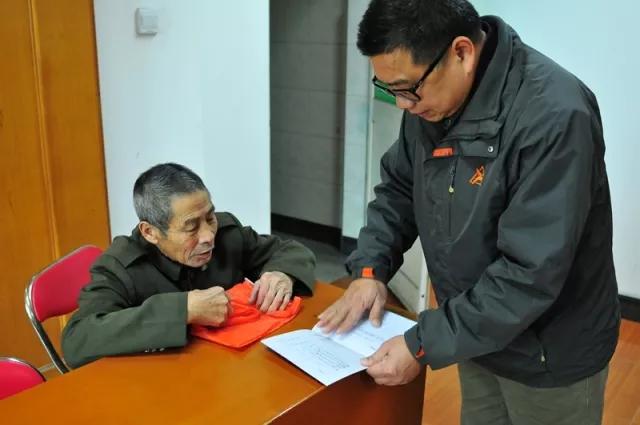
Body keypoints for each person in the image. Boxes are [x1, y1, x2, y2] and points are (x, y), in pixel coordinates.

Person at [317, 1, 619, 423]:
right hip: (477, 334)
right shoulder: (432, 101)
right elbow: (400, 188)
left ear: (461, 52)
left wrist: (423, 343)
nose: (402, 105)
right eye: (389, 89)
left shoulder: (555, 115)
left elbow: (530, 272)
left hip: (548, 352)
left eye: (407, 89)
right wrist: (371, 270)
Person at [62, 163, 315, 368]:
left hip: (229, 370)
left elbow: (290, 250)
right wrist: (183, 310)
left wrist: (283, 274)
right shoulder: (120, 267)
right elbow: (77, 340)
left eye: (210, 217)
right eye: (191, 227)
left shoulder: (227, 234)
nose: (208, 236)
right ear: (150, 232)